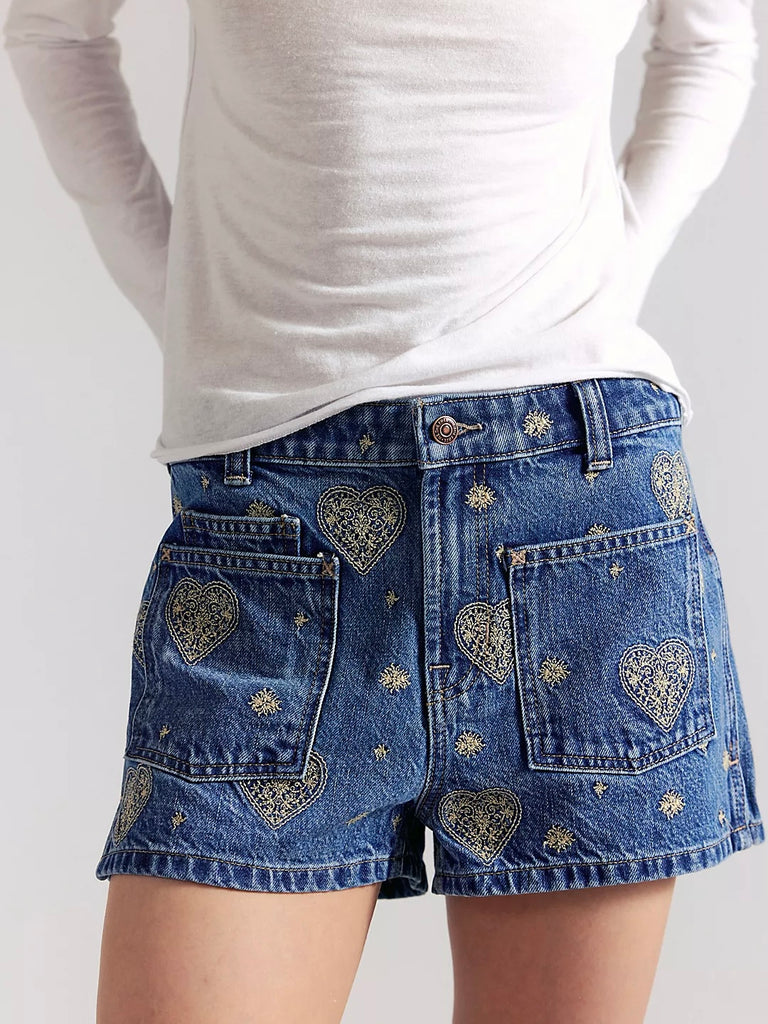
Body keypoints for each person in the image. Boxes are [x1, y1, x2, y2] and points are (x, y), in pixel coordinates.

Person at [4, 1, 763, 1021]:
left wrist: (598, 290)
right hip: (273, 529)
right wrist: (192, 315)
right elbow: (55, 29)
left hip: (572, 520)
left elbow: (711, 41)